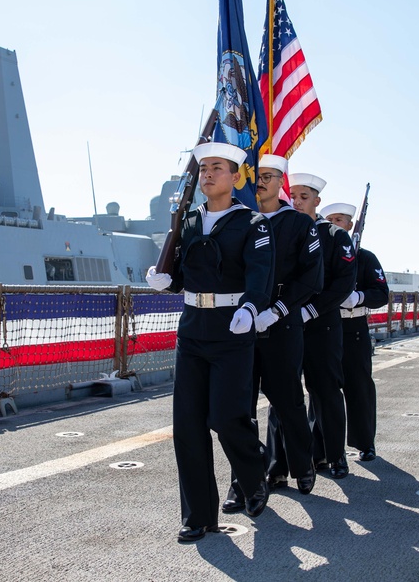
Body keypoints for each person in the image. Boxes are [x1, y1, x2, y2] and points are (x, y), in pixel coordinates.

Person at [145, 142, 274, 543]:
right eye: (203, 168)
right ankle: (200, 516)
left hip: (232, 329)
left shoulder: (252, 223)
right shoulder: (187, 221)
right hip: (193, 327)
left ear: (236, 177)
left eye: (217, 167)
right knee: (187, 425)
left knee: (226, 418)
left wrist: (251, 309)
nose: (207, 174)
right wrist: (166, 280)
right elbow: (187, 271)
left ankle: (253, 479)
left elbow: (261, 274)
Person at [222, 154, 322, 510]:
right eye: (257, 176)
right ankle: (243, 481)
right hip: (243, 321)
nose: (261, 182)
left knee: (288, 400)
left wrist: (279, 310)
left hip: (283, 319)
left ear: (283, 184)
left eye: (268, 177)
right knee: (240, 406)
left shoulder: (297, 223)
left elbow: (312, 276)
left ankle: (302, 463)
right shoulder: (240, 220)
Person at [287, 173, 357, 479]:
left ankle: (335, 455)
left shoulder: (334, 236)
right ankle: (297, 461)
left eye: (304, 197)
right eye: (294, 196)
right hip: (286, 324)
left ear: (317, 202)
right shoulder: (283, 230)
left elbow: (343, 285)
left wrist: (312, 310)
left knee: (325, 391)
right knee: (286, 395)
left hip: (322, 325)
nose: (297, 201)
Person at [322, 202, 390, 462]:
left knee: (359, 387)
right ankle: (324, 448)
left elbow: (381, 293)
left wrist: (359, 296)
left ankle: (365, 443)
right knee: (323, 389)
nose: (334, 224)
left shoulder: (364, 257)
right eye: (330, 220)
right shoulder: (319, 254)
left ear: (350, 225)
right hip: (327, 325)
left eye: (340, 219)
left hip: (354, 327)